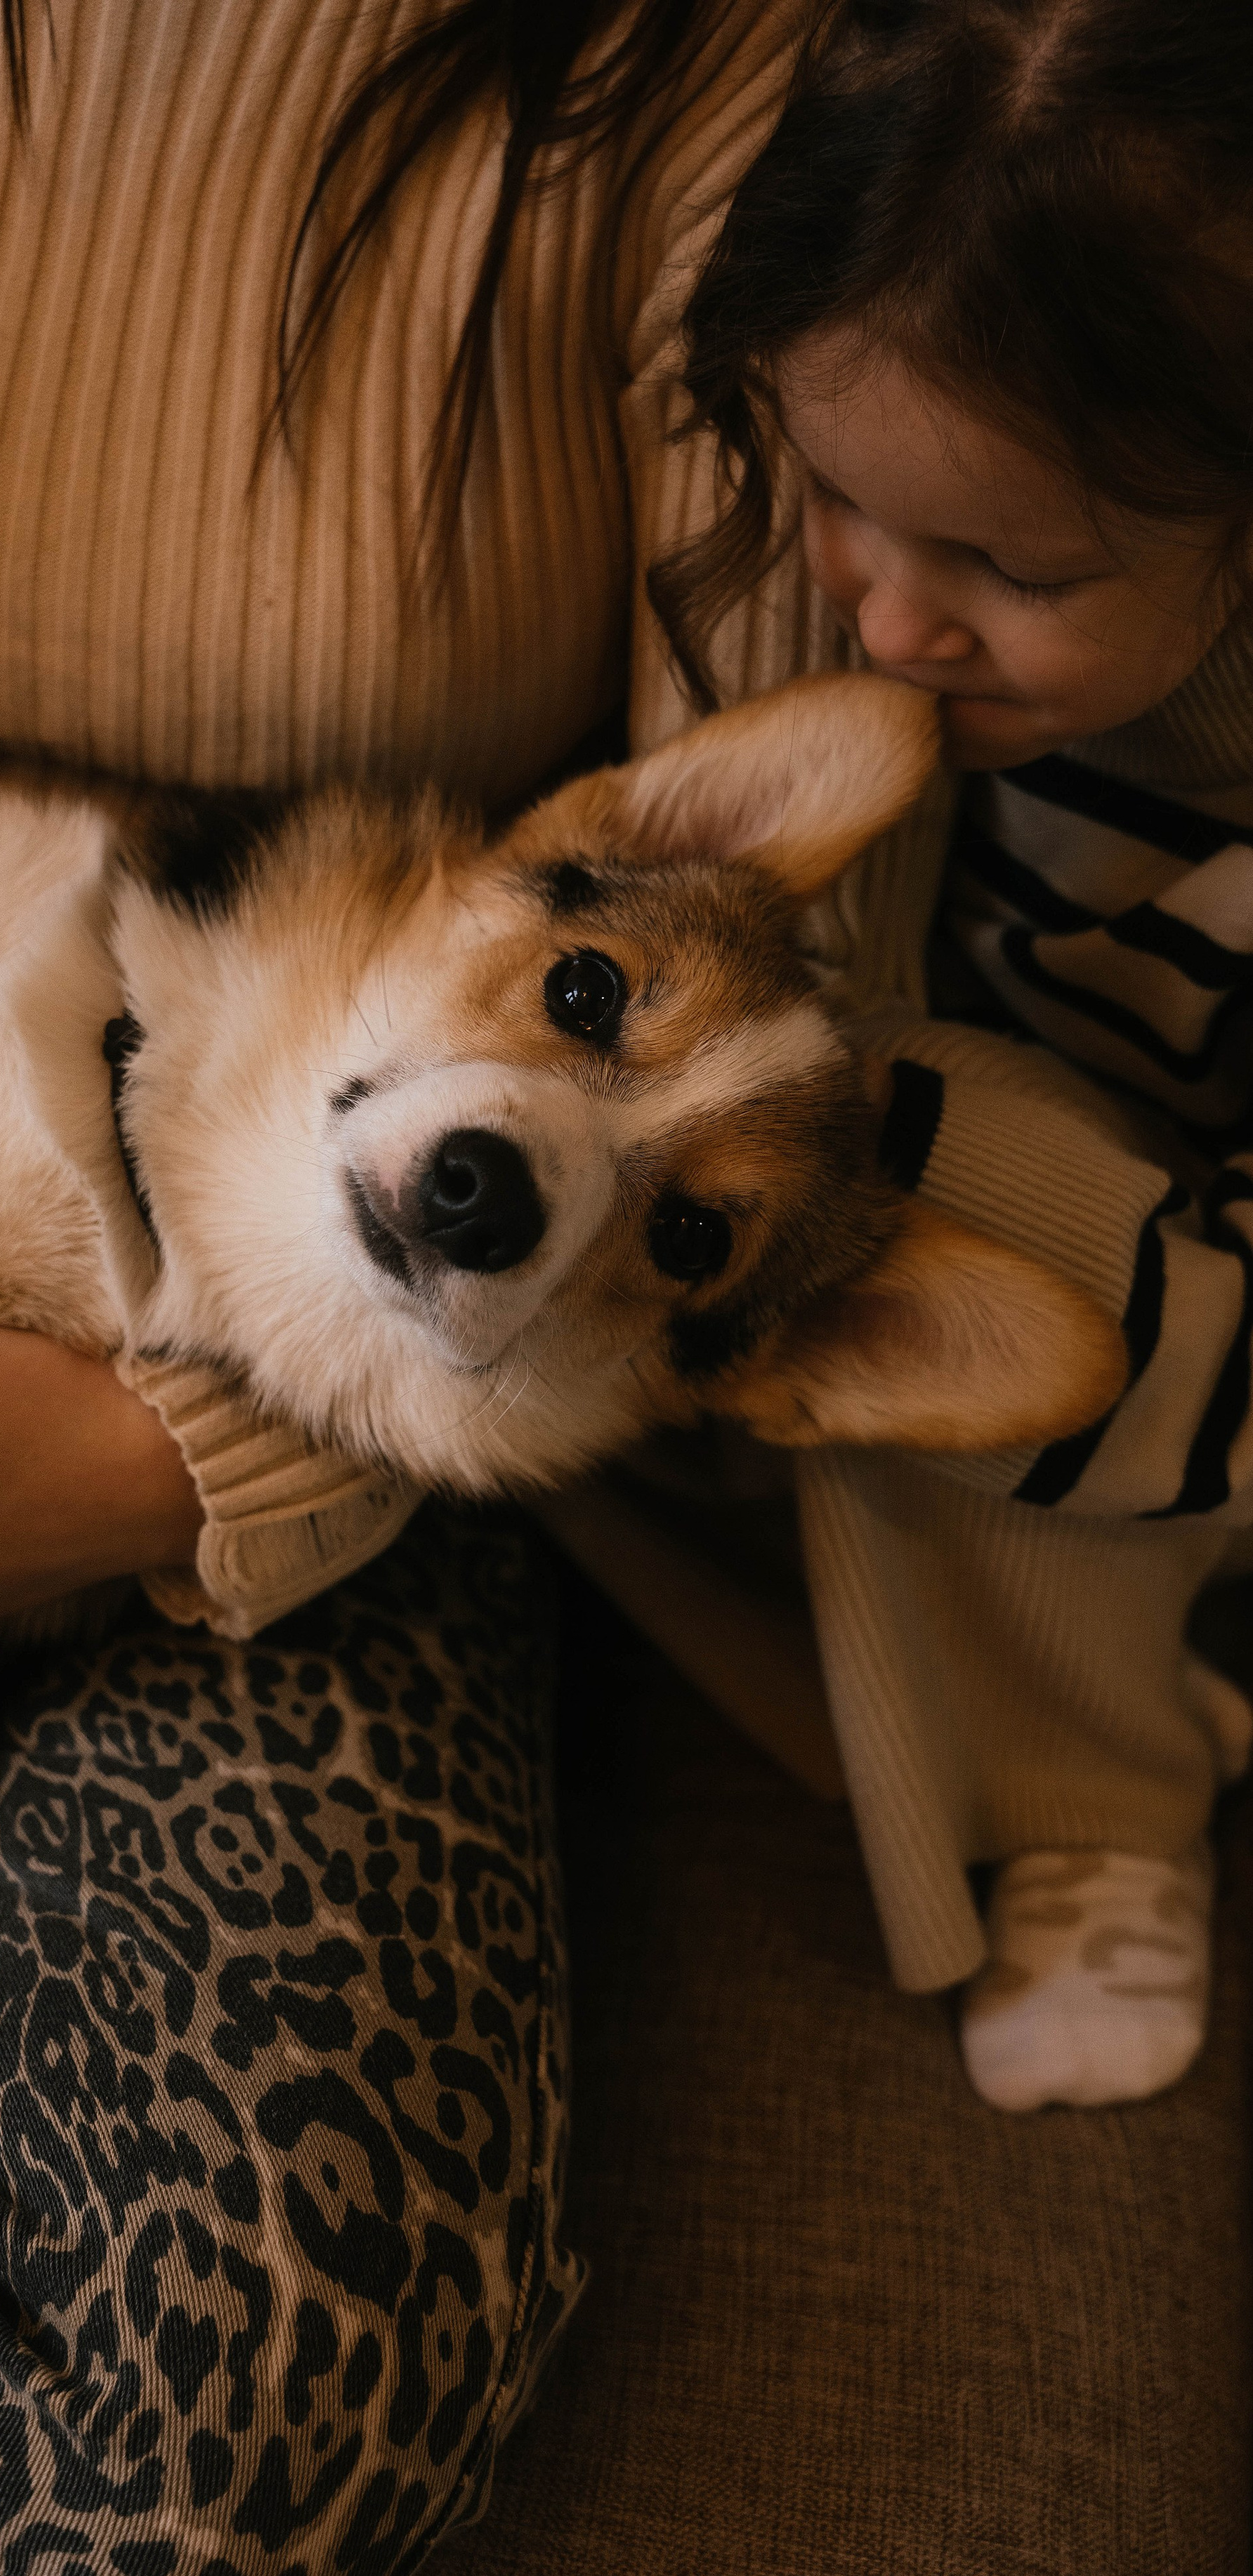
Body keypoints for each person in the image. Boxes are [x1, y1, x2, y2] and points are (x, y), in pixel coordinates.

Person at [0, 0, 886, 2576]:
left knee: (229, 2413)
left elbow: (792, 980)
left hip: (339, 1376)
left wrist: (181, 1468)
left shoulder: (704, 71)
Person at [644, 0, 1253, 2112]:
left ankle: (1097, 1816)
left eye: (1017, 569)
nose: (891, 618)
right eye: (835, 494)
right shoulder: (802, 573)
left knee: (945, 1168)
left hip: (1196, 1342)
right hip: (994, 1353)